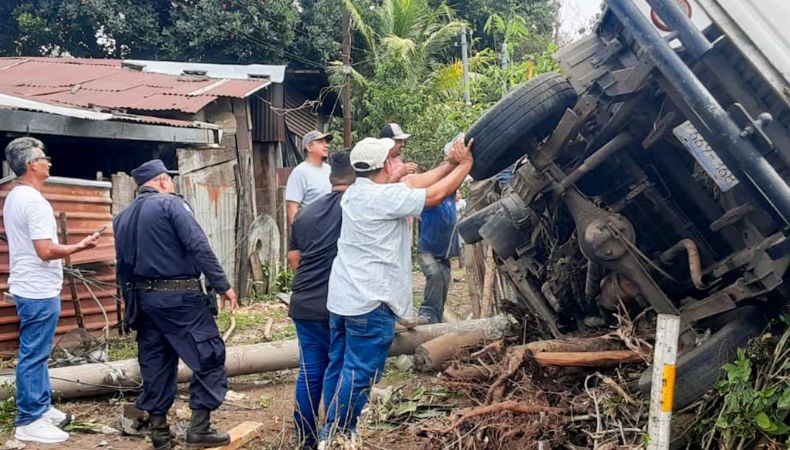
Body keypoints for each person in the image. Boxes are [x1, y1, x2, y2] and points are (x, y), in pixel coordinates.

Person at [320, 135, 474, 444]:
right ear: (385, 166)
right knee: (359, 373)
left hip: (343, 298)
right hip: (370, 302)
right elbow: (435, 194)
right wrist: (466, 164)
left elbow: (414, 183)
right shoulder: (383, 198)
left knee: (339, 366)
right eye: (391, 159)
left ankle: (331, 429)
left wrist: (450, 163)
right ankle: (336, 436)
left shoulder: (355, 192)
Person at [113, 159, 239, 450]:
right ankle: (200, 429)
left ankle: (160, 433)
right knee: (209, 356)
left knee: (155, 362)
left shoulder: (122, 217)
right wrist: (223, 285)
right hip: (181, 300)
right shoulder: (170, 204)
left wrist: (130, 308)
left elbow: (122, 267)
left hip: (143, 301)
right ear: (162, 181)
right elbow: (198, 245)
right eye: (170, 180)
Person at [3, 137, 100, 444]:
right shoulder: (34, 202)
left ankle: (41, 408)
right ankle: (29, 420)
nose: (49, 162)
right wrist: (80, 246)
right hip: (38, 289)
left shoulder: (15, 196)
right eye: (44, 158)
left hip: (30, 285)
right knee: (34, 355)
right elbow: (45, 251)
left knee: (38, 353)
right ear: (32, 165)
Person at [287, 152, 355, 449]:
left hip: (303, 300)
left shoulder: (305, 213)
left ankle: (305, 438)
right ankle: (333, 435)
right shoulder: (356, 208)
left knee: (310, 368)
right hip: (336, 302)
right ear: (357, 178)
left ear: (330, 177)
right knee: (336, 368)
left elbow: (294, 258)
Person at [416, 190, 460, 324]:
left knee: (442, 288)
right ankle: (426, 314)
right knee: (434, 275)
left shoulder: (450, 199)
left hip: (444, 255)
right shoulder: (429, 201)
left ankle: (436, 322)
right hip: (426, 252)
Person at [286, 130, 333, 226]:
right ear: (309, 147)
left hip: (329, 229)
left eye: (326, 142)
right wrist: (298, 232)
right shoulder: (300, 172)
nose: (326, 145)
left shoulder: (330, 170)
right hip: (311, 229)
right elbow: (292, 207)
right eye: (320, 142)